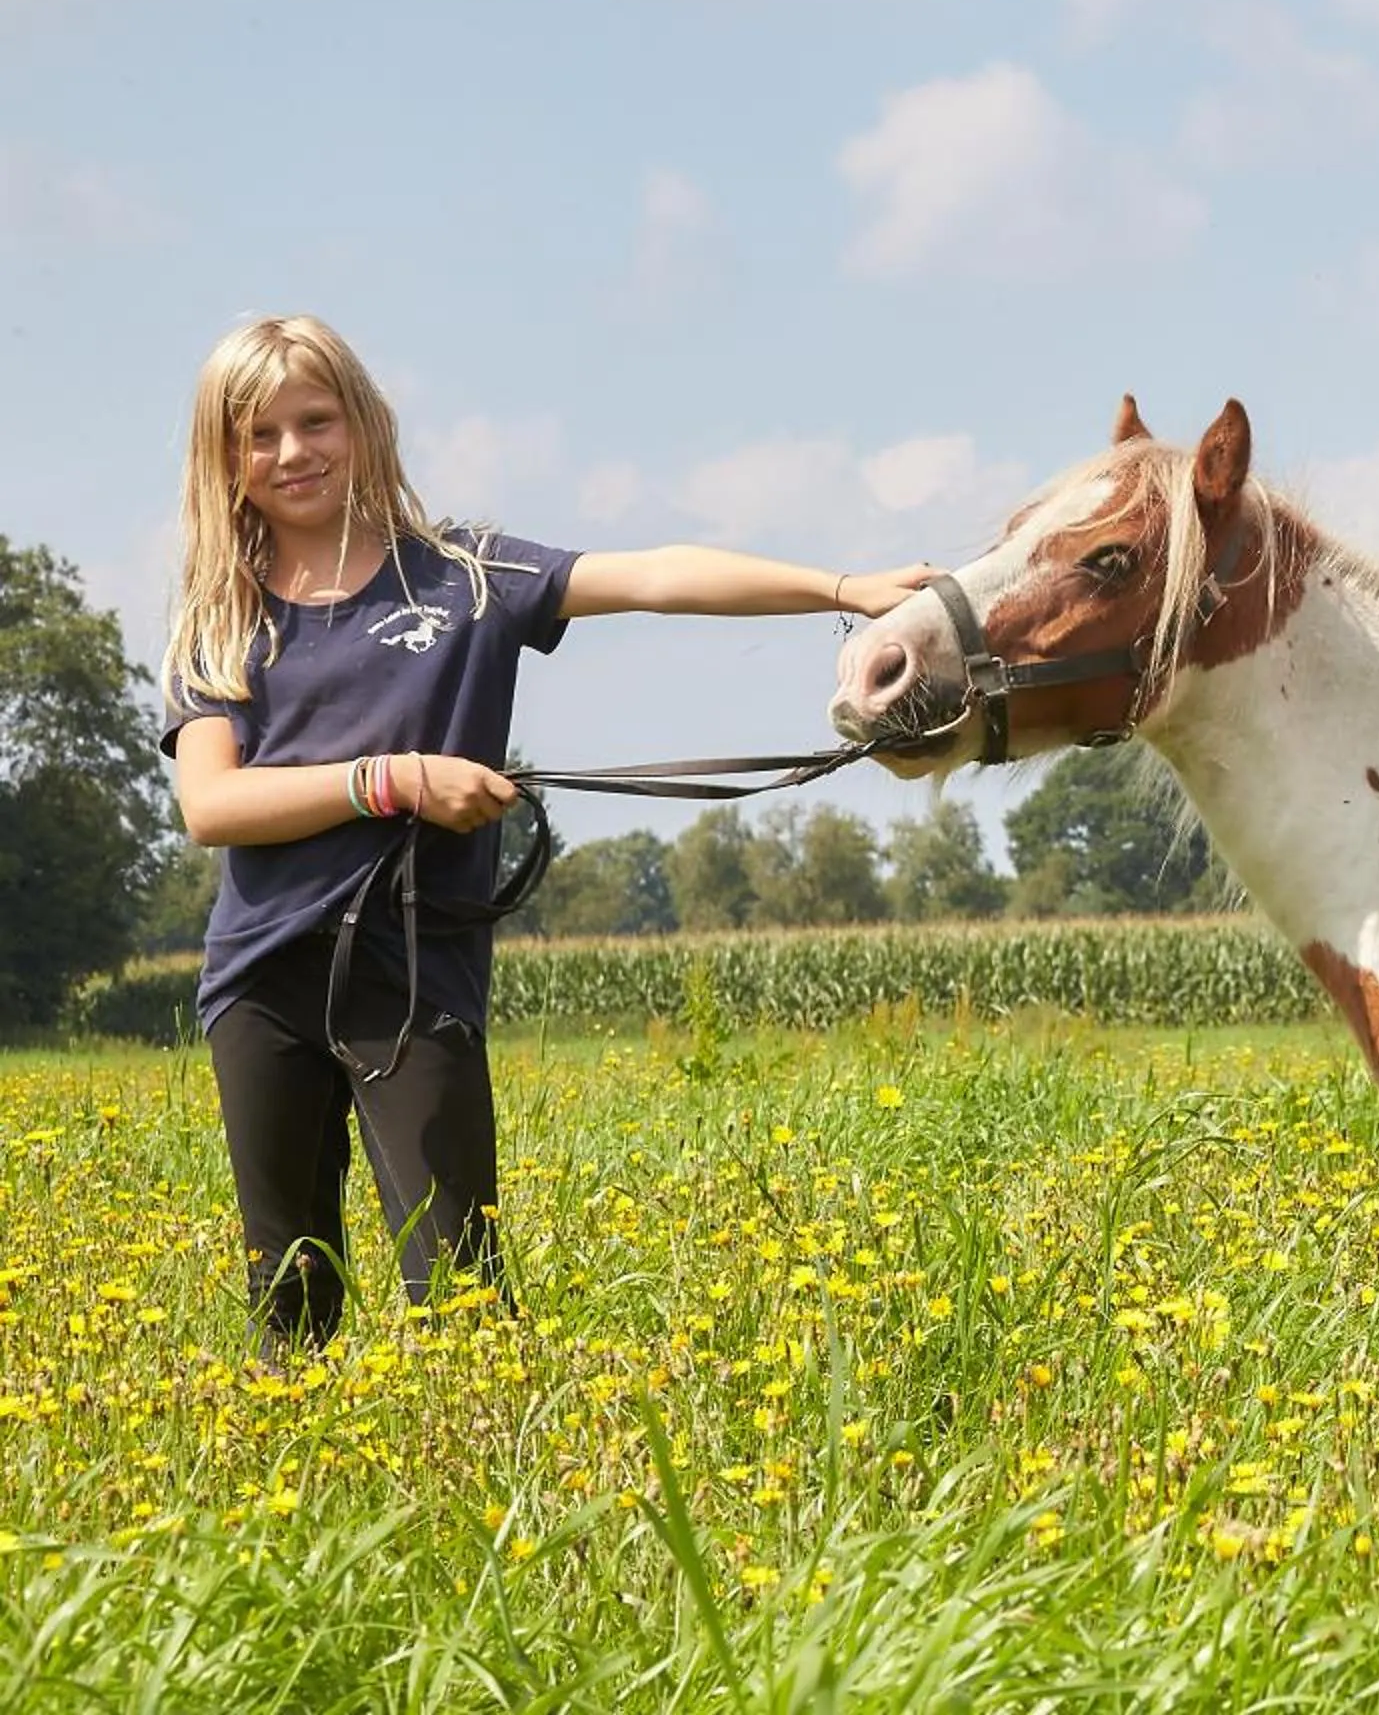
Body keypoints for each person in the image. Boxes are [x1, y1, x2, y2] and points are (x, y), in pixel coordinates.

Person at [160, 314, 933, 1352]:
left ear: (364, 422)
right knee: (289, 1291)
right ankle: (288, 1450)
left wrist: (842, 590)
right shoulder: (220, 614)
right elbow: (211, 805)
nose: (293, 451)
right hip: (261, 981)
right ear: (224, 456)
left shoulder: (465, 575)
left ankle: (474, 1449)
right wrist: (394, 779)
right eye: (260, 434)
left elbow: (655, 575)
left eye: (315, 420)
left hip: (416, 975)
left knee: (463, 1292)